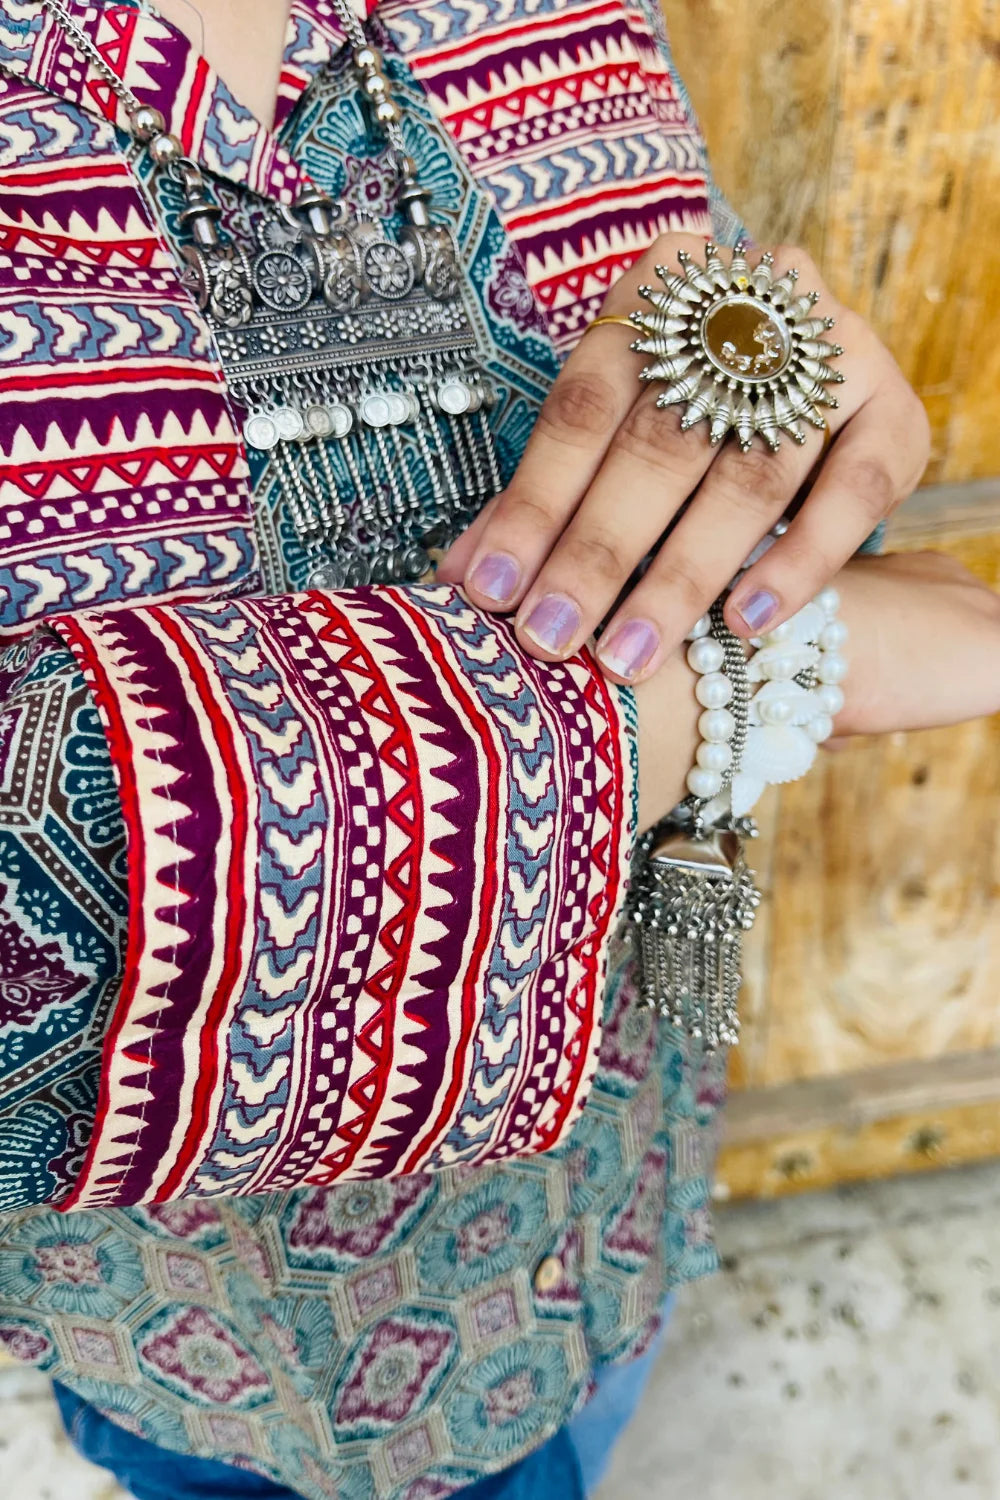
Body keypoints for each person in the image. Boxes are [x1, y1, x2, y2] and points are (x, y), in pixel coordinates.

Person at [0, 1, 997, 1498]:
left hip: (608, 1154)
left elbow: (692, 475)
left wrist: (770, 409)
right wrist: (770, 665)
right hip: (200, 1312)